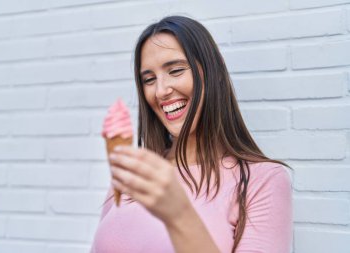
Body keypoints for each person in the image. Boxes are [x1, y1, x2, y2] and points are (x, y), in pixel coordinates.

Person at [90, 15, 293, 253]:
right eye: (149, 79)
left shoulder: (261, 180)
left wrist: (180, 215)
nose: (161, 91)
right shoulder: (135, 174)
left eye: (175, 70)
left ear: (212, 73)